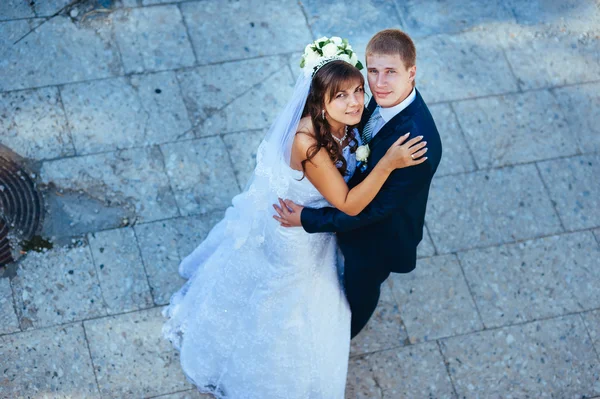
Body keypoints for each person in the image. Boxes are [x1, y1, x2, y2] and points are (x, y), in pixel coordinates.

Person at [162, 36, 427, 399]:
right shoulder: (308, 142)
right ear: (320, 101)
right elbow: (348, 204)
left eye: (356, 91)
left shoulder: (349, 119)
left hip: (317, 228)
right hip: (296, 234)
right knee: (282, 302)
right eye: (341, 96)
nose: (354, 104)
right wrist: (387, 163)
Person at [274, 29, 443, 338]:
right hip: (339, 209)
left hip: (375, 239)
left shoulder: (417, 146)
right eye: (373, 71)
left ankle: (342, 338)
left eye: (390, 72)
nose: (378, 84)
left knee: (360, 293)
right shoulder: (377, 102)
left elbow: (370, 210)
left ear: (412, 72)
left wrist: (307, 219)